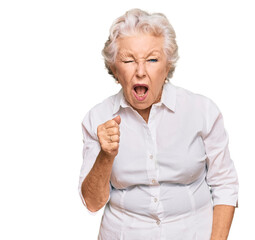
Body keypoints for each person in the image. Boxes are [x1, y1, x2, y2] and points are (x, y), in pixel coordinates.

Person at [79, 8, 238, 240]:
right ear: (114, 69)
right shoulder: (97, 118)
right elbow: (92, 204)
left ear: (167, 67)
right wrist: (106, 154)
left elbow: (225, 184)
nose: (141, 72)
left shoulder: (202, 111)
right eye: (128, 60)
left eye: (152, 59)